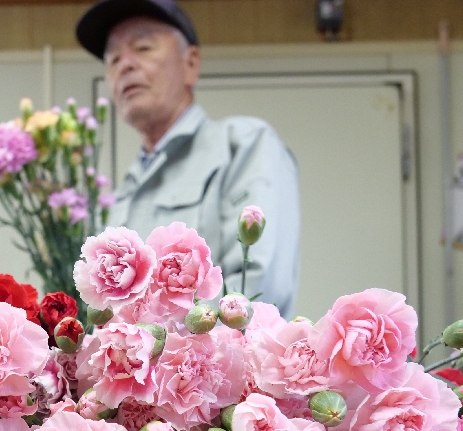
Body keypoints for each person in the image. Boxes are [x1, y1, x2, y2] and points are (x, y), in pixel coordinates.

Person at [76, 0, 302, 316]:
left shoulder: (242, 144)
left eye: (142, 47)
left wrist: (160, 353)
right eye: (112, 58)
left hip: (211, 365)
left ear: (190, 64)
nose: (124, 65)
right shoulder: (125, 190)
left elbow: (257, 294)